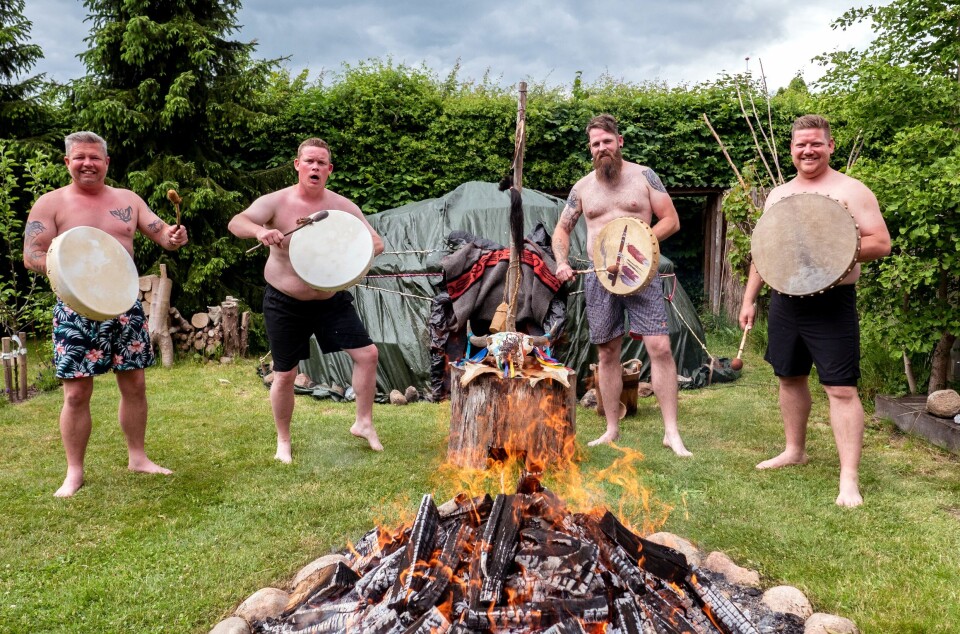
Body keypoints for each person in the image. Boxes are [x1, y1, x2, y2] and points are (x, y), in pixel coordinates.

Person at [23, 131, 188, 497]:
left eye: (95, 157)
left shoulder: (127, 200)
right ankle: (74, 472)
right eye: (79, 157)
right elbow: (31, 254)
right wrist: (65, 268)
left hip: (124, 305)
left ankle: (138, 458)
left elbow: (161, 234)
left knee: (135, 385)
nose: (87, 163)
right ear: (68, 162)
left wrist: (173, 237)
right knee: (76, 394)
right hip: (75, 306)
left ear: (107, 162)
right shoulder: (50, 204)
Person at [739, 114, 891, 508]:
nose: (808, 150)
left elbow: (881, 243)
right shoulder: (777, 195)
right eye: (800, 144)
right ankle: (794, 450)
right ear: (791, 150)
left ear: (830, 145)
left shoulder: (851, 190)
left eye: (815, 144)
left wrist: (834, 248)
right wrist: (749, 298)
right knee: (789, 378)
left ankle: (849, 479)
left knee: (840, 389)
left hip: (832, 303)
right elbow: (765, 250)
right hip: (786, 300)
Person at [228, 138, 384, 461]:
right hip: (285, 301)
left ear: (330, 170)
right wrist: (259, 232)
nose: (315, 167)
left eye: (321, 163)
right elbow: (237, 222)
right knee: (285, 372)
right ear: (298, 165)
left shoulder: (342, 208)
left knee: (368, 354)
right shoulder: (277, 202)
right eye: (309, 161)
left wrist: (357, 250)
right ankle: (283, 441)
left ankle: (364, 423)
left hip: (329, 300)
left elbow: (375, 242)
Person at [553, 114, 691, 456]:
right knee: (607, 351)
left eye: (607, 141)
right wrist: (561, 262)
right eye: (595, 144)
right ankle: (612, 427)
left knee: (659, 347)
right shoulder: (582, 188)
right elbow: (562, 230)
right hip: (600, 278)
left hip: (641, 275)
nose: (602, 148)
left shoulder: (644, 176)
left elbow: (671, 220)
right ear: (591, 150)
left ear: (620, 142)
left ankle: (671, 432)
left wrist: (639, 247)